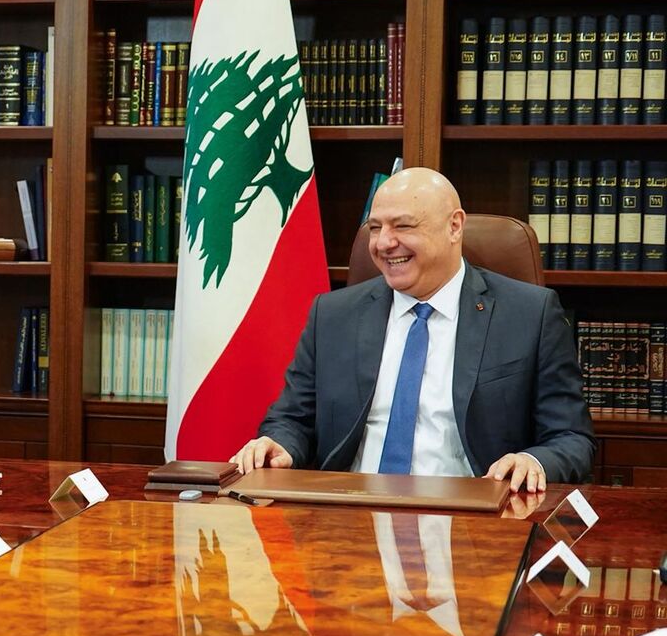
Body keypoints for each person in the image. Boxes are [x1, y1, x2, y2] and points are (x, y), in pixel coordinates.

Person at [230, 168, 594, 492]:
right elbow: (293, 418)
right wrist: (280, 444)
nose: (384, 243)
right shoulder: (333, 314)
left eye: (402, 226)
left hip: (473, 519)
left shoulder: (529, 314)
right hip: (347, 516)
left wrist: (534, 461)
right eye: (375, 228)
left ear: (454, 226)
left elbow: (571, 438)